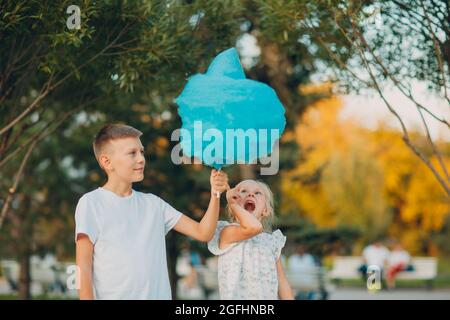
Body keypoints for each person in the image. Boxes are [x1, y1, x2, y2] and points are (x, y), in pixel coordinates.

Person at [75, 124, 228, 299]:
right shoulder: (91, 203)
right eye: (132, 153)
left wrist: (215, 194)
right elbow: (83, 268)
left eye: (142, 152)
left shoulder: (154, 204)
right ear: (106, 162)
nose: (141, 159)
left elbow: (203, 233)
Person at [207, 179, 294, 299]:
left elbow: (282, 281)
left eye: (257, 193)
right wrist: (233, 205)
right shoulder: (227, 232)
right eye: (243, 191)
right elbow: (253, 227)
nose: (250, 194)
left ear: (266, 210)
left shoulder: (272, 241)